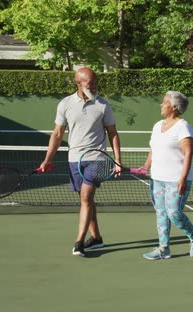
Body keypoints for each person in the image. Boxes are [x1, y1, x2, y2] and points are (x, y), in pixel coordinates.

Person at [40, 67, 121, 257]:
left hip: (97, 158)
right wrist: (47, 160)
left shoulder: (103, 105)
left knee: (86, 198)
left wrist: (117, 160)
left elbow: (113, 133)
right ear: (78, 83)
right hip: (74, 159)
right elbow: (57, 134)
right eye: (89, 83)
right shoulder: (65, 104)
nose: (94, 86)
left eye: (95, 82)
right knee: (86, 200)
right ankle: (97, 238)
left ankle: (79, 243)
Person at [140, 91, 193, 260]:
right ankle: (163, 248)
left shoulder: (183, 126)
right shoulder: (157, 126)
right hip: (157, 178)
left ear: (174, 107)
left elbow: (189, 152)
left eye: (165, 102)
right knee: (161, 212)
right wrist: (146, 166)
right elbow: (154, 148)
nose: (161, 105)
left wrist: (182, 179)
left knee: (174, 213)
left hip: (176, 179)